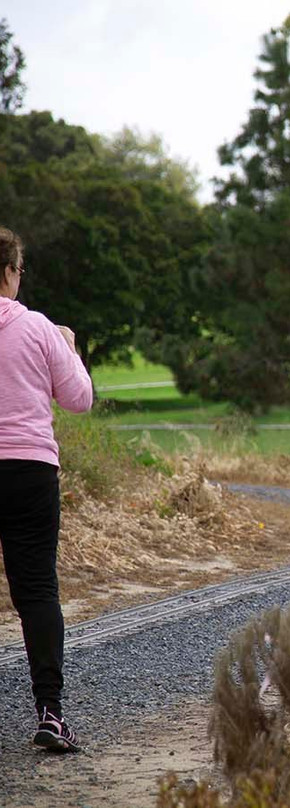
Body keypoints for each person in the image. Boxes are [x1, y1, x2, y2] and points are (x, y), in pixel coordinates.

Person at [0, 227, 93, 752]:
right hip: (29, 470)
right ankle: (50, 713)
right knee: (35, 590)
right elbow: (79, 399)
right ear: (12, 272)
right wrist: (68, 347)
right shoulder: (37, 328)